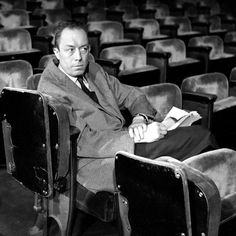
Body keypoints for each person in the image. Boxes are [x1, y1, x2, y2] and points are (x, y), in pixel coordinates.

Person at [37, 20, 217, 220]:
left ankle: (194, 209)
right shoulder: (50, 89)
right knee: (201, 136)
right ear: (56, 52)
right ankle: (206, 209)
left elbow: (132, 95)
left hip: (124, 141)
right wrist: (137, 137)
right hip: (94, 159)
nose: (79, 57)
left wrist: (140, 119)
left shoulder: (94, 70)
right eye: (70, 50)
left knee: (194, 136)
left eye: (84, 48)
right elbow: (82, 142)